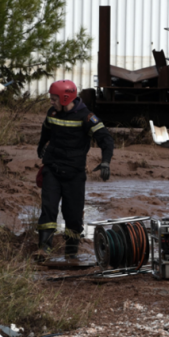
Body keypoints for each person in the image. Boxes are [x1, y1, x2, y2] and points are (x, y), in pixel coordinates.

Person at [36, 79, 115, 260]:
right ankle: (44, 249)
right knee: (48, 208)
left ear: (65, 98)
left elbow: (106, 139)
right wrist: (41, 145)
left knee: (73, 216)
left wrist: (105, 162)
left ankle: (71, 252)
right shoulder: (53, 113)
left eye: (54, 98)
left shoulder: (86, 117)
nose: (51, 102)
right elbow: (46, 128)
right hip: (52, 170)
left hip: (74, 174)